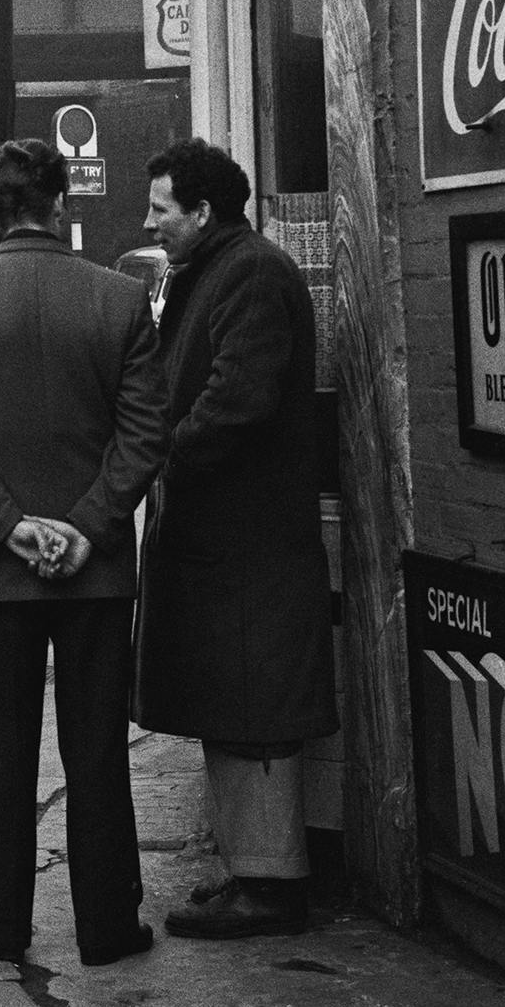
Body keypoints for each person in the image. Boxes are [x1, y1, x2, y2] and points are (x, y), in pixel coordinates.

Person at [0, 139, 171, 969]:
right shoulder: (121, 299)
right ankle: (105, 918)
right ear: (60, 204)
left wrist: (13, 527)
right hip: (96, 573)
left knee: (3, 750)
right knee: (96, 749)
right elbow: (144, 434)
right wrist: (87, 525)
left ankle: (1, 916)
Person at [134, 138, 337, 940]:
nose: (150, 221)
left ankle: (274, 886)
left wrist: (168, 455)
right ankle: (250, 870)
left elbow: (237, 396)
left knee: (255, 704)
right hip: (229, 537)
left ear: (203, 211)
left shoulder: (248, 272)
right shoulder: (220, 268)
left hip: (246, 537)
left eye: (160, 209)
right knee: (235, 700)